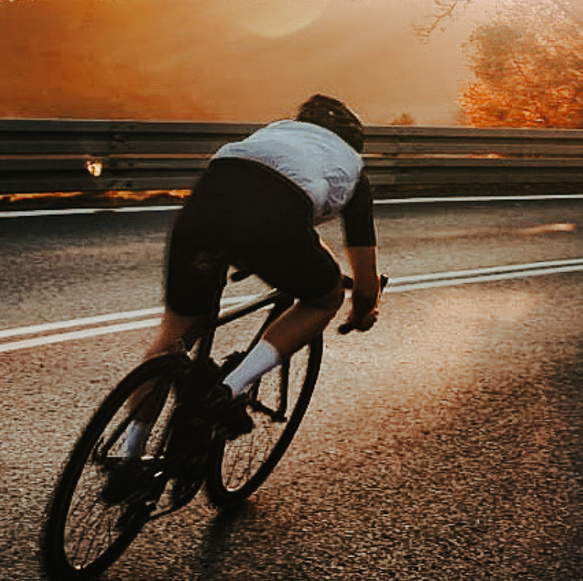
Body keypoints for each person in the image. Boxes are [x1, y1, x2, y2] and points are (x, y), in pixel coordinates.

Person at [108, 94, 381, 485]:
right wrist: (361, 309)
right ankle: (230, 391)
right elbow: (365, 281)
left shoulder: (274, 134)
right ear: (353, 140)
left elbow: (264, 197)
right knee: (325, 298)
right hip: (274, 220)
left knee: (175, 335)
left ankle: (128, 456)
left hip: (207, 203)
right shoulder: (352, 167)